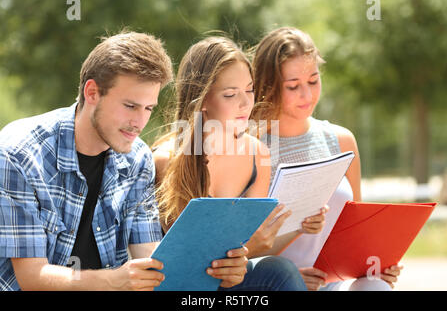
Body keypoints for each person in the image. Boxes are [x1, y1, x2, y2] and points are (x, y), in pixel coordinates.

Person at [0, 31, 248, 291]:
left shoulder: (138, 158)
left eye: (148, 108)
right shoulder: (19, 155)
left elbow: (150, 258)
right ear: (92, 92)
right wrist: (113, 280)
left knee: (270, 275)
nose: (140, 122)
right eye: (130, 106)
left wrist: (218, 269)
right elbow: (31, 277)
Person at [250, 26, 403, 291]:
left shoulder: (342, 140)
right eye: (293, 86)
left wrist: (377, 265)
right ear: (268, 86)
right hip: (277, 283)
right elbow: (241, 249)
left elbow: (357, 232)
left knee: (376, 286)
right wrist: (289, 277)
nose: (307, 95)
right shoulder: (250, 148)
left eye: (313, 80)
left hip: (334, 283)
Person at [152, 36, 307, 291]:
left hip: (232, 282)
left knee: (280, 271)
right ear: (202, 101)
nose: (246, 103)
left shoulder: (258, 154)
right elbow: (179, 264)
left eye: (249, 90)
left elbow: (248, 257)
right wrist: (247, 251)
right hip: (185, 287)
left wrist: (247, 254)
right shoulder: (165, 161)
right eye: (230, 94)